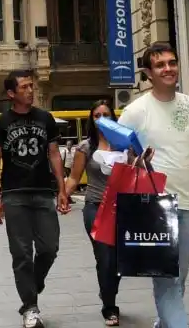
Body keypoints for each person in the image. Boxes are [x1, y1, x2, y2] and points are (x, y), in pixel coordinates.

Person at [118, 42, 189, 328]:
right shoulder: (134, 111)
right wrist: (137, 162)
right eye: (160, 65)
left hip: (188, 204)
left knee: (180, 274)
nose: (168, 69)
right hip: (153, 206)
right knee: (166, 278)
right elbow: (120, 161)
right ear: (148, 72)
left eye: (171, 62)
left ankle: (165, 322)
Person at [0, 70, 70, 328]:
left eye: (31, 86)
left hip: (43, 192)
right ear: (11, 93)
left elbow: (54, 154)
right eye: (24, 87)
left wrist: (62, 189)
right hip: (14, 195)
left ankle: (33, 283)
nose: (30, 91)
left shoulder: (45, 119)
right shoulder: (0, 123)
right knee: (22, 253)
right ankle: (30, 307)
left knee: (49, 248)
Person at [66, 100, 123, 326]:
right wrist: (63, 196)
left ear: (113, 118)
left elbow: (136, 171)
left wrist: (143, 160)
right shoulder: (86, 147)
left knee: (119, 261)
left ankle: (108, 290)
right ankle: (110, 307)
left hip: (123, 208)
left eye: (106, 114)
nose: (101, 119)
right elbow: (74, 177)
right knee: (105, 258)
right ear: (92, 120)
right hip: (95, 206)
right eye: (97, 115)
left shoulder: (125, 145)